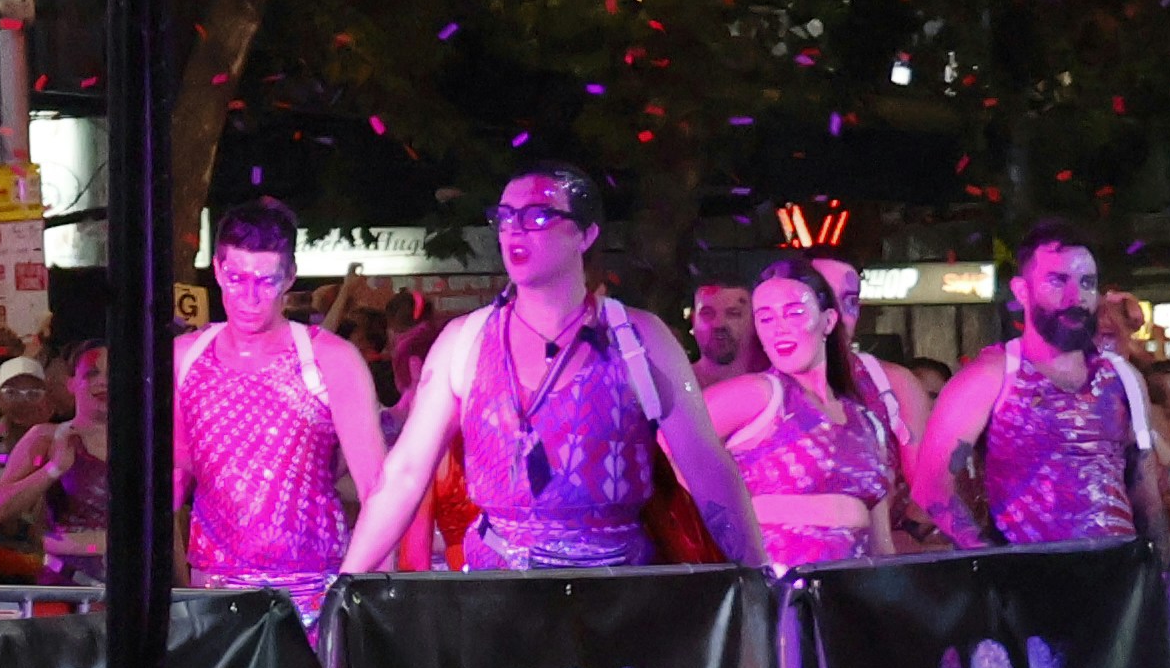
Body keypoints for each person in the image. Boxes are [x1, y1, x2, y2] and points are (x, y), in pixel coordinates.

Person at [339, 166, 764, 577]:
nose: (514, 230)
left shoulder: (640, 337)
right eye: (504, 218)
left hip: (618, 599)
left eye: (538, 216)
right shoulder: (464, 340)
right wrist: (350, 581)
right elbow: (406, 472)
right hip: (499, 599)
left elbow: (707, 467)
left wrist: (756, 577)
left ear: (586, 233)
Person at [904, 224, 1170, 550]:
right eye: (1057, 281)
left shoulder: (1124, 378)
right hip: (1027, 585)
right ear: (1022, 291)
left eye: (1086, 283)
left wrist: (1157, 576)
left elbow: (1146, 489)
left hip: (1116, 581)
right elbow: (931, 486)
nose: (1075, 298)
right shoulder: (990, 376)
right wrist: (987, 557)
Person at [177, 202, 389, 611]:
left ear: (290, 276)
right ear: (218, 270)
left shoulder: (331, 358)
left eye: (266, 281)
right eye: (237, 278)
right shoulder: (185, 358)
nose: (250, 297)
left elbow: (378, 491)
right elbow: (173, 476)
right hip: (215, 591)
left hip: (313, 590)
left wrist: (374, 604)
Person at [711, 248, 909, 565]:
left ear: (828, 320)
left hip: (849, 598)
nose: (779, 327)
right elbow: (669, 449)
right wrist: (730, 513)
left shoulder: (867, 423)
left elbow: (882, 547)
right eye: (765, 318)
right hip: (776, 599)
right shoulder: (758, 394)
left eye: (793, 313)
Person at [0, 342, 117, 574]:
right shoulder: (47, 437)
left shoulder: (144, 442)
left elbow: (169, 523)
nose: (102, 381)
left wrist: (183, 592)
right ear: (71, 383)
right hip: (69, 578)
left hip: (133, 577)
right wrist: (53, 469)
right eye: (91, 373)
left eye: (112, 372)